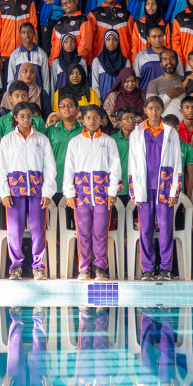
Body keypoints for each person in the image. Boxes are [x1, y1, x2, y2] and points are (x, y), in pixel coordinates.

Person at [0, 101, 57, 281]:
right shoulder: (7, 140)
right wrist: (4, 193)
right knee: (15, 231)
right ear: (15, 118)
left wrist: (47, 192)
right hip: (14, 193)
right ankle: (15, 267)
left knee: (38, 230)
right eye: (22, 116)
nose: (26, 119)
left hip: (37, 191)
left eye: (29, 116)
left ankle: (38, 266)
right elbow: (1, 168)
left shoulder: (41, 140)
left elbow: (50, 168)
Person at [64, 104, 123, 281]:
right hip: (81, 194)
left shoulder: (108, 141)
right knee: (83, 232)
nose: (92, 121)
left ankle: (100, 267)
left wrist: (112, 191)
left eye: (95, 117)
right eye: (88, 118)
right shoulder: (75, 142)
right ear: (82, 119)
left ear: (101, 120)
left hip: (102, 194)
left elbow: (115, 168)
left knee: (100, 231)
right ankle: (84, 268)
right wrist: (69, 192)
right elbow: (69, 169)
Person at [127, 95, 182, 281]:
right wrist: (133, 190)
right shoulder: (137, 133)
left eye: (157, 108)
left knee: (166, 228)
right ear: (145, 110)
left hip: (165, 188)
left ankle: (166, 268)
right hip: (144, 187)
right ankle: (148, 269)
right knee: (146, 229)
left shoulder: (170, 133)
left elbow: (177, 162)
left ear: (162, 110)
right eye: (150, 108)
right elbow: (132, 164)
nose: (154, 111)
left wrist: (175, 190)